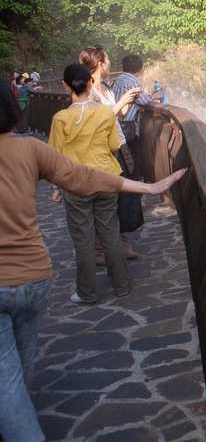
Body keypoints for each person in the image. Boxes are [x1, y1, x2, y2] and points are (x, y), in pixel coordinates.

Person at [0, 80, 185, 442]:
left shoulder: (44, 138)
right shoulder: (29, 150)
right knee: (17, 375)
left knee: (7, 381)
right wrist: (148, 188)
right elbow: (83, 176)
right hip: (35, 279)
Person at [48, 64, 135, 305]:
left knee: (83, 239)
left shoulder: (61, 118)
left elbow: (55, 157)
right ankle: (122, 285)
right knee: (110, 233)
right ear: (90, 83)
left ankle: (87, 292)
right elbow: (114, 146)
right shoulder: (105, 113)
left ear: (65, 85)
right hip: (105, 178)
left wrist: (55, 188)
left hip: (75, 183)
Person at [79, 46, 140, 261]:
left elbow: (117, 117)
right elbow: (97, 121)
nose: (110, 62)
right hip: (101, 149)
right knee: (105, 197)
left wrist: (128, 101)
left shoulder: (107, 87)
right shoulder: (87, 91)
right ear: (100, 64)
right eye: (108, 58)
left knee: (126, 197)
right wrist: (121, 103)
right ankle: (98, 249)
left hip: (119, 144)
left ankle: (124, 242)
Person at [110, 54, 164, 179]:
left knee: (123, 157)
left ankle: (127, 179)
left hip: (118, 123)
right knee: (133, 156)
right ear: (140, 70)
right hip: (128, 125)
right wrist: (156, 96)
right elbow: (142, 100)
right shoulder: (134, 81)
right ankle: (134, 182)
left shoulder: (117, 80)